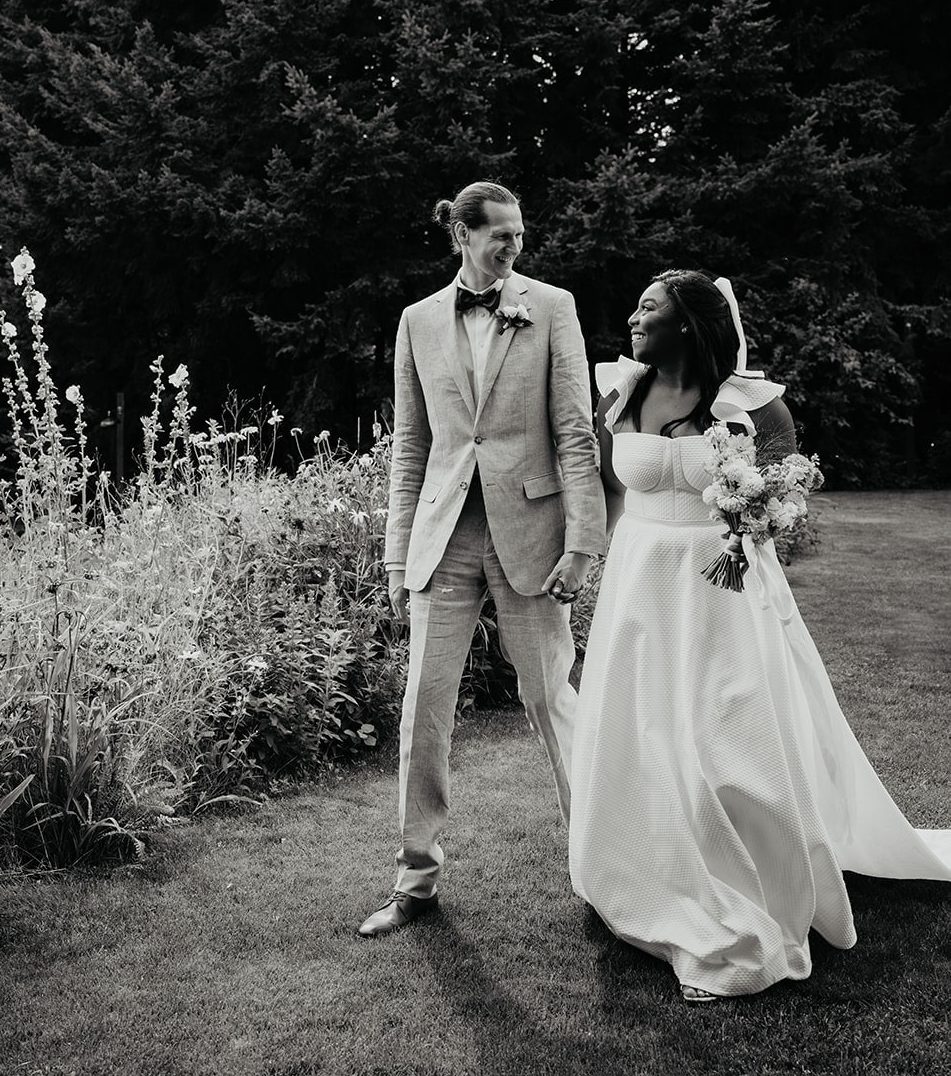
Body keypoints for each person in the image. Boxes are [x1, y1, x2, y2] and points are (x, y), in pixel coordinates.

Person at [569, 269, 951, 1000]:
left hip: (724, 588)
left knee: (725, 737)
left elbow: (787, 491)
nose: (632, 317)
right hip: (639, 588)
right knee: (643, 734)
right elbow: (612, 489)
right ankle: (644, 873)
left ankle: (752, 885)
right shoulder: (620, 390)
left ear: (689, 323)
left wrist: (750, 532)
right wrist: (588, 561)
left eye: (648, 308)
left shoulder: (752, 403)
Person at [359, 181, 606, 936]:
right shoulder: (416, 321)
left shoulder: (551, 306)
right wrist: (398, 560)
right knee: (424, 710)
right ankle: (415, 878)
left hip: (530, 533)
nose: (513, 248)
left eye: (519, 236)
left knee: (548, 697)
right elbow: (410, 447)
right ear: (460, 235)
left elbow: (573, 431)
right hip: (443, 538)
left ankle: (600, 865)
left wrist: (582, 542)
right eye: (499, 235)